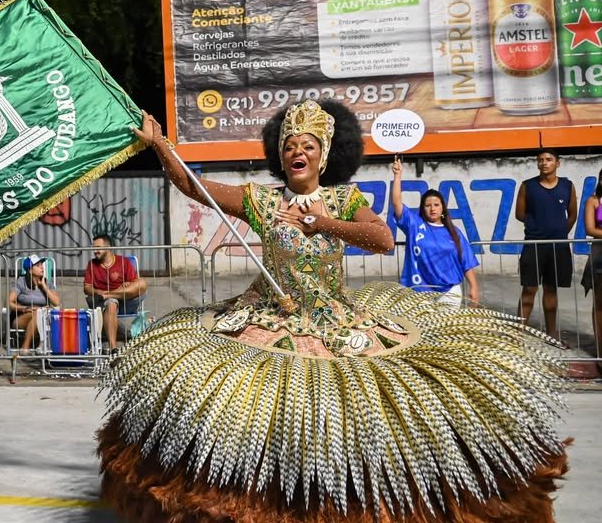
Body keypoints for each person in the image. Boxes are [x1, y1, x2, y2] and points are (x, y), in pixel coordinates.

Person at [97, 100, 566, 523]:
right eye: (289, 147)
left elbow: (382, 239)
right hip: (267, 314)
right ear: (280, 157)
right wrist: (161, 146)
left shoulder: (345, 199)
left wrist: (320, 222)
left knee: (346, 416)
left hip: (333, 320)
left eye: (307, 145)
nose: (296, 153)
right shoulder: (261, 201)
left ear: (324, 155)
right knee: (256, 412)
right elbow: (194, 186)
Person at [390, 157, 480, 305]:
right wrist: (397, 176)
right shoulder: (414, 225)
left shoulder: (454, 232)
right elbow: (396, 202)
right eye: (428, 205)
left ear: (443, 208)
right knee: (420, 328)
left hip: (450, 292)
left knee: (448, 328)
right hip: (418, 292)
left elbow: (466, 262)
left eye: (436, 205)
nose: (432, 208)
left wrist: (474, 287)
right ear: (422, 209)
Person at [516, 149, 577, 343]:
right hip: (533, 245)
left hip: (557, 247)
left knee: (551, 289)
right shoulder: (527, 186)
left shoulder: (568, 186)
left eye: (549, 159)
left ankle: (551, 333)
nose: (544, 163)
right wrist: (538, 227)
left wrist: (558, 232)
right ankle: (516, 335)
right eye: (540, 160)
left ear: (557, 163)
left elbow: (572, 214)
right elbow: (519, 214)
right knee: (529, 289)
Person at [83, 234, 146, 354]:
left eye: (98, 247)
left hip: (126, 299)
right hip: (103, 301)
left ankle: (110, 294)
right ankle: (113, 347)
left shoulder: (123, 262)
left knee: (142, 283)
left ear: (108, 248)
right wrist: (97, 292)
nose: (94, 251)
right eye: (93, 248)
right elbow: (87, 288)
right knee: (111, 302)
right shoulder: (92, 264)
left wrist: (128, 283)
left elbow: (135, 283)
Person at [8, 254, 60, 353]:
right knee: (40, 312)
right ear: (30, 270)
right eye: (37, 265)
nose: (42, 267)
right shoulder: (21, 282)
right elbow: (10, 302)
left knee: (40, 312)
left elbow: (56, 302)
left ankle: (30, 347)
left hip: (41, 316)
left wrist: (44, 287)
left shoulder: (47, 283)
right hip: (21, 317)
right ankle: (31, 345)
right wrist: (25, 308)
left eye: (42, 264)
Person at [582, 168, 602, 357]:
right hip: (600, 254)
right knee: (600, 303)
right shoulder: (594, 201)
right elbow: (589, 228)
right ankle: (600, 350)